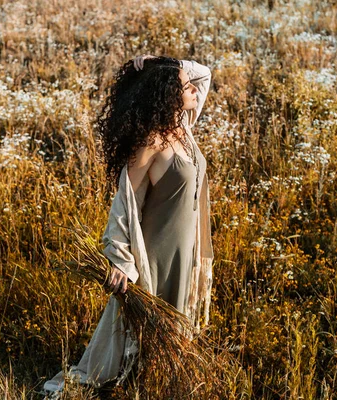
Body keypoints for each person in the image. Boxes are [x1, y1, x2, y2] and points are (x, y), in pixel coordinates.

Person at [43, 55, 214, 395]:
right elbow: (125, 204)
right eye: (185, 86)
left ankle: (156, 378)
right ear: (167, 94)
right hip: (156, 253)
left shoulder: (183, 125)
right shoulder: (152, 143)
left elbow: (204, 73)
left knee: (175, 326)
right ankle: (123, 382)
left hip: (187, 249)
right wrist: (120, 259)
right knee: (136, 330)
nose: (194, 89)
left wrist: (157, 63)